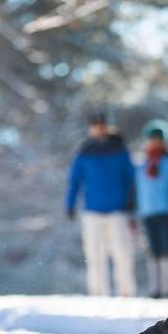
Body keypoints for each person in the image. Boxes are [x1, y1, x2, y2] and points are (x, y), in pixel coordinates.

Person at [65, 111, 137, 297]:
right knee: (95, 255)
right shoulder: (83, 151)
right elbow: (75, 180)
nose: (99, 128)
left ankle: (126, 294)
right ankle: (98, 295)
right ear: (91, 128)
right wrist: (70, 204)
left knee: (122, 253)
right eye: (95, 125)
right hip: (92, 211)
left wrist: (132, 202)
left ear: (106, 125)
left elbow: (131, 178)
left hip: (118, 210)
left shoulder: (119, 148)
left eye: (102, 124)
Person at [135, 121, 168, 298]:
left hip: (167, 211)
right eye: (152, 139)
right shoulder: (142, 163)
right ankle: (155, 289)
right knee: (153, 250)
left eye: (158, 139)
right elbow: (137, 189)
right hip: (148, 211)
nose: (155, 142)